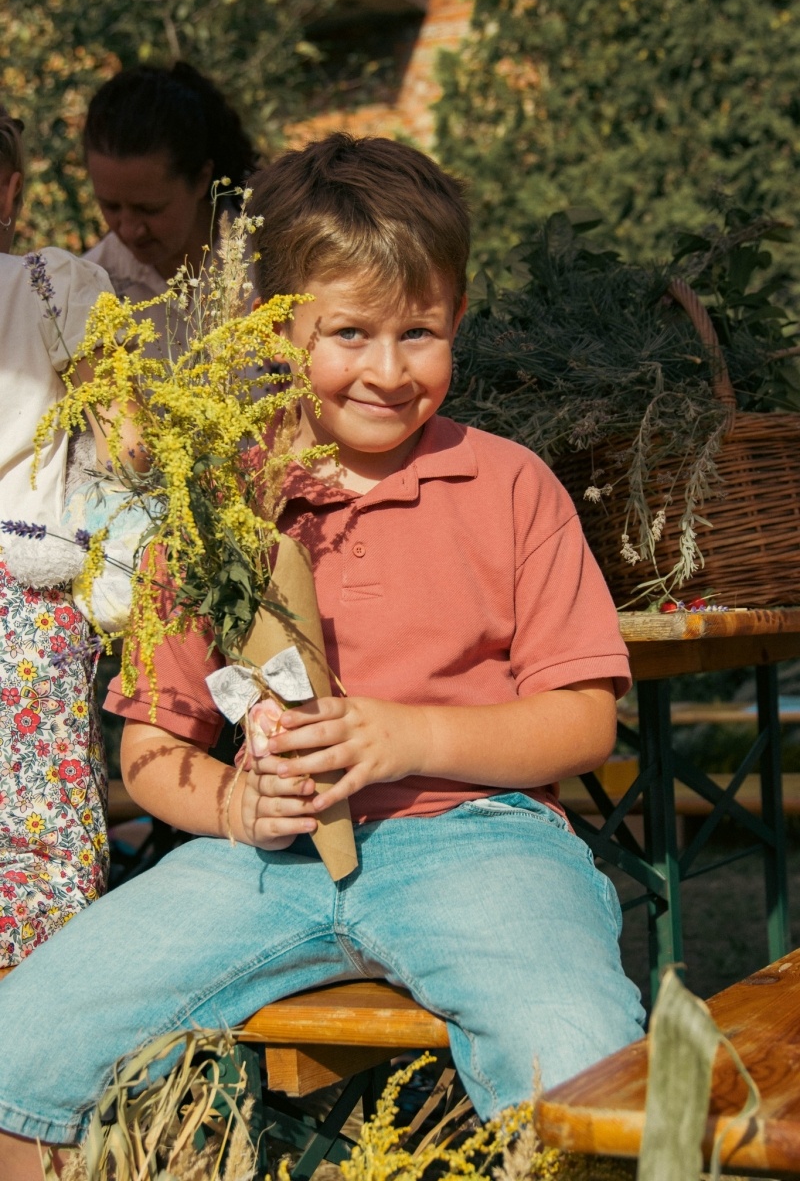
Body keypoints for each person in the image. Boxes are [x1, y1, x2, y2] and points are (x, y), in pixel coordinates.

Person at [0, 133, 645, 1175]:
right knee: (18, 1049)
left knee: (578, 1069)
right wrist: (230, 808)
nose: (387, 372)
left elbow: (581, 722)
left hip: (481, 845)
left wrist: (404, 735)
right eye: (350, 333)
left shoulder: (511, 485)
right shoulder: (216, 500)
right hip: (259, 865)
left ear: (456, 322)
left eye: (419, 334)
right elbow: (150, 750)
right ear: (276, 330)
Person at [0, 104, 117, 965]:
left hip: (26, 593)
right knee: (43, 863)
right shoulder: (57, 284)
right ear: (8, 190)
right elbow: (128, 436)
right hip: (28, 594)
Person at [83, 62, 258, 349]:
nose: (129, 230)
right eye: (110, 206)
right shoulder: (91, 286)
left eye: (149, 209)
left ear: (202, 180)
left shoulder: (272, 257)